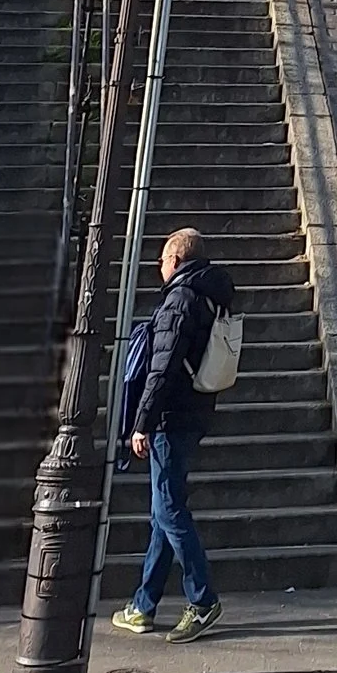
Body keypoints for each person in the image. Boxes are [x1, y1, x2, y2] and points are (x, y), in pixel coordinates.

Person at [111, 226, 237, 641]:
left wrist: (141, 423)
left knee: (169, 511)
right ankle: (143, 605)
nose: (159, 267)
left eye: (163, 260)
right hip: (195, 411)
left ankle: (202, 601)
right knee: (162, 511)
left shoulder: (179, 300)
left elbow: (160, 369)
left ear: (177, 260)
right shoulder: (208, 295)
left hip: (170, 417)